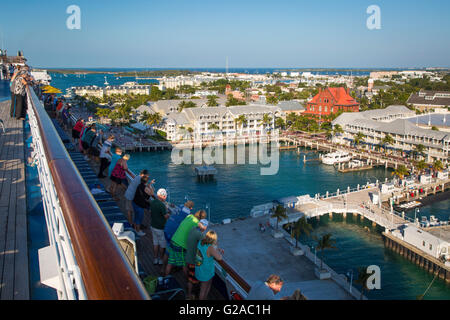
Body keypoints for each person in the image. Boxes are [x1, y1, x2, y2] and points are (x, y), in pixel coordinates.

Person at [165, 209, 207, 277]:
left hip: (173, 240)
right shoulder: (196, 223)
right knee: (184, 264)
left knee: (170, 262)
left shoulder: (189, 216)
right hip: (180, 245)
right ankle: (187, 280)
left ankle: (165, 277)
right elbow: (197, 234)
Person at [195, 230, 223, 300]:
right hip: (206, 272)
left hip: (199, 269)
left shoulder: (200, 242)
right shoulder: (210, 248)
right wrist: (216, 246)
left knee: (206, 285)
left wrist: (216, 248)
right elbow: (219, 257)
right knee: (203, 289)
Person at [185, 219, 208, 300]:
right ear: (204, 227)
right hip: (193, 261)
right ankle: (190, 295)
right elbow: (207, 244)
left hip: (188, 257)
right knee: (193, 279)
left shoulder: (193, 228)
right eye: (205, 226)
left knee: (190, 278)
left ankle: (189, 294)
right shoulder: (200, 234)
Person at [149, 188, 170, 265]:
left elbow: (151, 212)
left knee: (155, 243)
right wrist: (168, 213)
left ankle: (155, 258)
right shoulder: (161, 205)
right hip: (160, 228)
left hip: (153, 226)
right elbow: (166, 216)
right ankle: (160, 259)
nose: (165, 198)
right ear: (162, 196)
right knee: (162, 244)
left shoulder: (153, 202)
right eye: (165, 196)